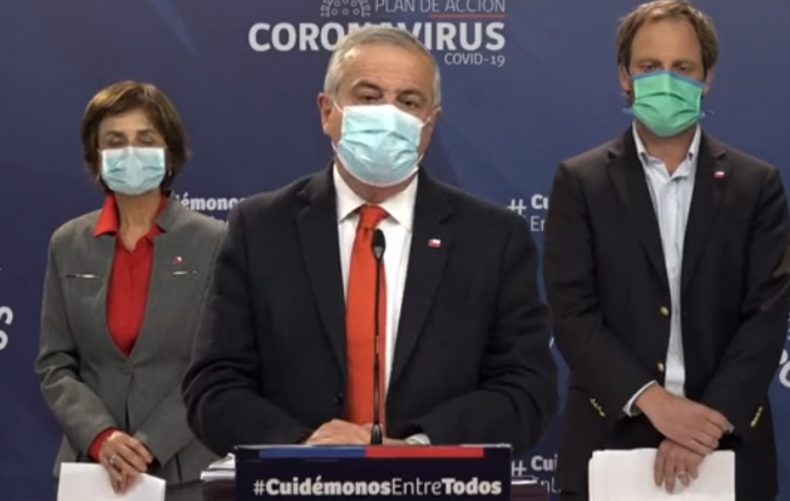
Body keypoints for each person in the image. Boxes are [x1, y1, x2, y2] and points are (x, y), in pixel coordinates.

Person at [182, 26, 558, 454]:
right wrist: (301, 443)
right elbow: (213, 386)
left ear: (430, 125)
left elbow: (527, 388)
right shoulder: (261, 228)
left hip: (436, 481)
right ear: (327, 111)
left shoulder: (492, 238)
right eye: (368, 96)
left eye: (409, 102)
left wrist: (421, 447)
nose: (388, 115)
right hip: (298, 480)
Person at [543, 2, 790, 500]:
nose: (666, 80)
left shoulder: (756, 185)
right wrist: (656, 404)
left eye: (682, 67)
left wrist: (704, 424)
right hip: (610, 435)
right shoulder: (581, 182)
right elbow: (572, 313)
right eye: (650, 66)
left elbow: (767, 315)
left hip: (728, 441)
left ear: (707, 77)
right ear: (625, 77)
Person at [35, 81, 225, 501]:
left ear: (169, 151)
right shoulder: (68, 243)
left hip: (186, 472)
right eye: (115, 142)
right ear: (96, 155)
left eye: (146, 139)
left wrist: (150, 443)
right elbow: (55, 363)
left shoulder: (214, 242)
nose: (131, 152)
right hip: (91, 470)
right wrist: (101, 436)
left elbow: (217, 365)